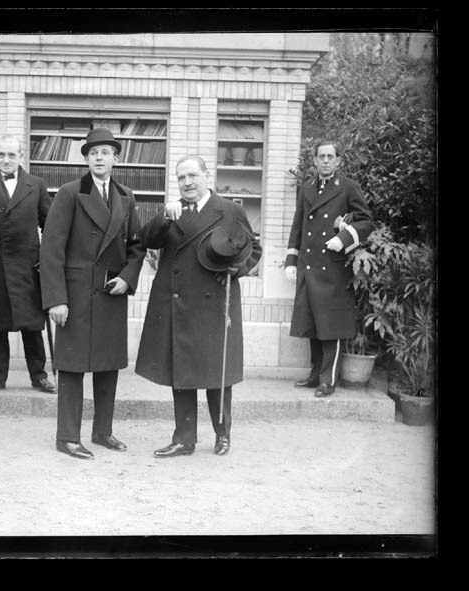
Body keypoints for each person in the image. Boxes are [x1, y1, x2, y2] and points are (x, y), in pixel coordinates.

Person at [135, 156, 262, 458]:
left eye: (193, 175)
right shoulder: (173, 211)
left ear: (207, 176)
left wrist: (236, 269)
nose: (187, 182)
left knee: (216, 373)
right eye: (181, 178)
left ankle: (223, 434)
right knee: (182, 371)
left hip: (215, 303)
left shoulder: (230, 211)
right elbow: (146, 239)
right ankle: (184, 439)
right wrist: (164, 216)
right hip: (178, 301)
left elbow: (252, 250)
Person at [39, 128, 146, 460]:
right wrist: (56, 298)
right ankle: (67, 436)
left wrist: (128, 279)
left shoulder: (126, 196)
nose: (100, 158)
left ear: (117, 158)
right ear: (86, 159)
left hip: (110, 293)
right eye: (93, 153)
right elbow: (51, 249)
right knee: (71, 367)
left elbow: (137, 245)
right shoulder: (71, 193)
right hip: (74, 295)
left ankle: (103, 432)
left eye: (106, 152)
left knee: (107, 365)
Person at [0, 135, 56, 395]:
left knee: (32, 325)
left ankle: (39, 377)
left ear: (21, 157)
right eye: (2, 155)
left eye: (12, 155)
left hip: (28, 266)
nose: (6, 160)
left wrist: (46, 258)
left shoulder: (36, 185)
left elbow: (48, 224)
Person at [284, 140, 374, 398]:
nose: (325, 160)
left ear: (338, 160)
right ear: (314, 160)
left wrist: (344, 239)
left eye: (330, 156)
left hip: (332, 269)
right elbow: (297, 227)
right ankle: (315, 376)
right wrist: (291, 261)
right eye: (320, 156)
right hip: (309, 266)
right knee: (312, 322)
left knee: (329, 324)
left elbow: (367, 221)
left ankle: (328, 380)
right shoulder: (306, 188)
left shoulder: (347, 188)